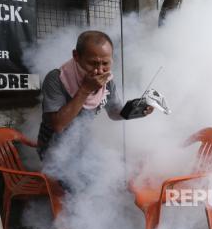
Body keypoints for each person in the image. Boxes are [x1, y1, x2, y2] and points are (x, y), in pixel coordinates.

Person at [37, 30, 153, 160]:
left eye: (105, 63)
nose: (99, 70)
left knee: (117, 170)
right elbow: (58, 125)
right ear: (76, 56)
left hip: (83, 148)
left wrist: (136, 110)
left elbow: (114, 113)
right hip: (54, 151)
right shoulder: (57, 78)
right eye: (92, 63)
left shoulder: (107, 81)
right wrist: (85, 89)